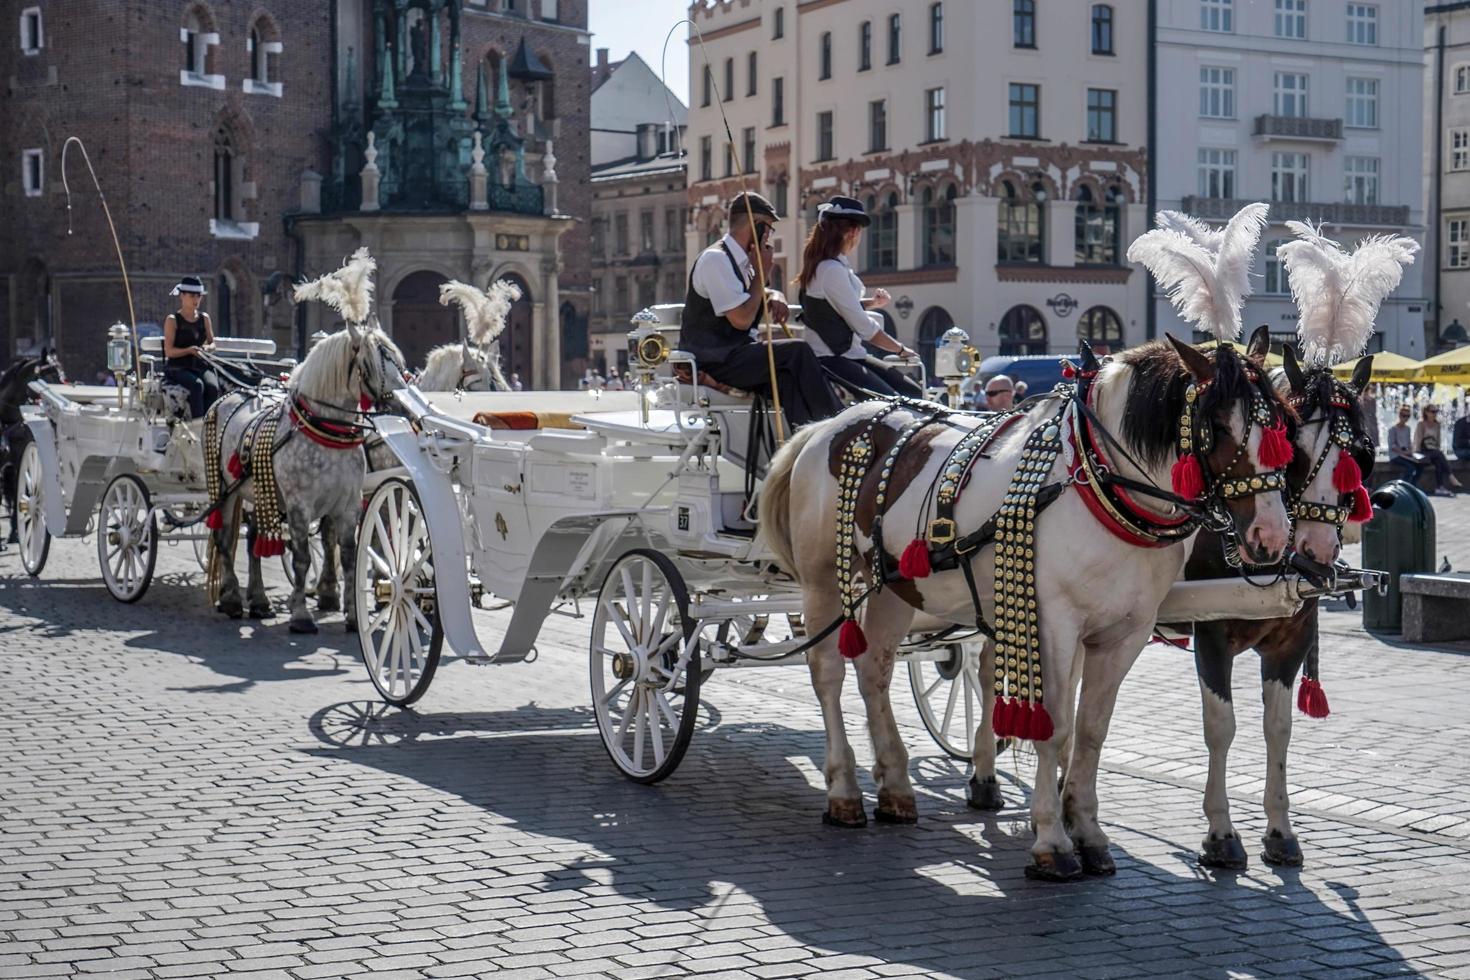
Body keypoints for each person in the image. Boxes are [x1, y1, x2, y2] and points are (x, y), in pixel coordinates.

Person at [680, 192, 842, 427]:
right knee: (797, 351)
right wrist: (762, 274)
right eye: (768, 228)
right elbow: (741, 320)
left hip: (732, 355)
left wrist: (773, 293)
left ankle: (804, 437)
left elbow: (749, 296)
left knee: (788, 378)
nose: (769, 237)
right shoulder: (716, 259)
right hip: (715, 360)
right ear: (757, 226)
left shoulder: (739, 261)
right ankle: (837, 426)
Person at [792, 196, 923, 399]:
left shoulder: (830, 265)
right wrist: (901, 350)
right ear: (853, 232)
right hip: (832, 358)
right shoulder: (831, 269)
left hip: (849, 356)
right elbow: (866, 329)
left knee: (911, 391)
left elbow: (836, 308)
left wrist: (872, 303)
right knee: (891, 402)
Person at [162, 276, 219, 419]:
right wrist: (188, 350)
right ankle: (197, 424)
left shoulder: (204, 318)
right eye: (192, 296)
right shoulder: (173, 320)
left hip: (199, 365)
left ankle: (211, 424)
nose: (196, 300)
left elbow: (212, 343)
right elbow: (169, 351)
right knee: (197, 385)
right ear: (182, 296)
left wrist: (207, 349)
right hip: (178, 367)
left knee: (212, 387)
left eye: (199, 296)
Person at [1415, 404, 1460, 496]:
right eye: (1432, 411)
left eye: (1436, 411)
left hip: (1433, 452)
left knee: (1438, 461)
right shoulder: (1421, 424)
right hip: (1423, 452)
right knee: (1438, 455)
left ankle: (1439, 487)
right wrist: (1416, 454)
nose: (1434, 414)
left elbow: (1438, 442)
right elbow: (1417, 440)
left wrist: (1436, 451)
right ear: (1426, 412)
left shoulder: (1437, 424)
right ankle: (1450, 476)